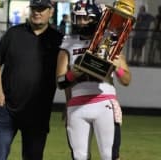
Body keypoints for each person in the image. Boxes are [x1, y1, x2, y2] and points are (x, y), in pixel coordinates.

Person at [0, 0, 63, 159]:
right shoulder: (13, 33)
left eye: (42, 8)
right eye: (34, 8)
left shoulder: (59, 40)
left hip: (38, 112)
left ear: (51, 12)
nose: (37, 12)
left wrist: (70, 102)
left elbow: (64, 74)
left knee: (33, 156)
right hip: (7, 109)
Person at [56, 0, 131, 159]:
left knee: (110, 156)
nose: (81, 22)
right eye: (78, 18)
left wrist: (117, 68)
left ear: (96, 18)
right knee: (79, 156)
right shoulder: (68, 43)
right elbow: (60, 82)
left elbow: (126, 80)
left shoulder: (108, 41)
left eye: (86, 18)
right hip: (77, 106)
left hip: (104, 103)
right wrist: (73, 75)